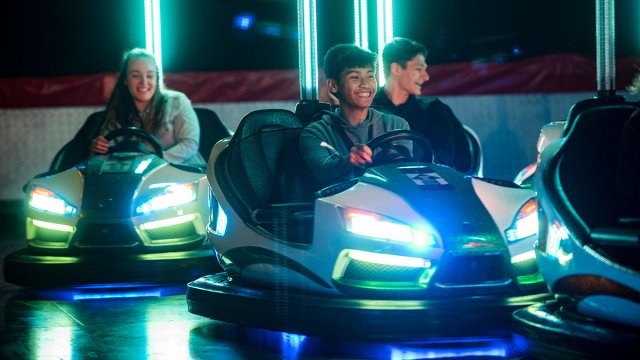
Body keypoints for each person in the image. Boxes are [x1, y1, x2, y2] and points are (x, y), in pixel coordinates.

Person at [299, 44, 409, 187]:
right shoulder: (316, 133)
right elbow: (323, 170)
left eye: (370, 76)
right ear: (333, 85)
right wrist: (347, 161)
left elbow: (405, 171)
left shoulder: (397, 126)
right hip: (341, 205)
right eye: (355, 77)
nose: (365, 84)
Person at [372, 37, 471, 172]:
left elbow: (453, 162)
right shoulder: (366, 109)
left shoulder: (435, 110)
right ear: (396, 69)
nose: (426, 77)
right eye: (419, 69)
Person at [90, 48, 205, 165]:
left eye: (150, 76)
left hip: (182, 174)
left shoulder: (177, 101)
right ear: (125, 79)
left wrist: (152, 163)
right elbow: (108, 150)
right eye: (136, 76)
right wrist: (100, 147)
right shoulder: (117, 109)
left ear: (157, 79)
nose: (144, 82)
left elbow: (189, 144)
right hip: (137, 177)